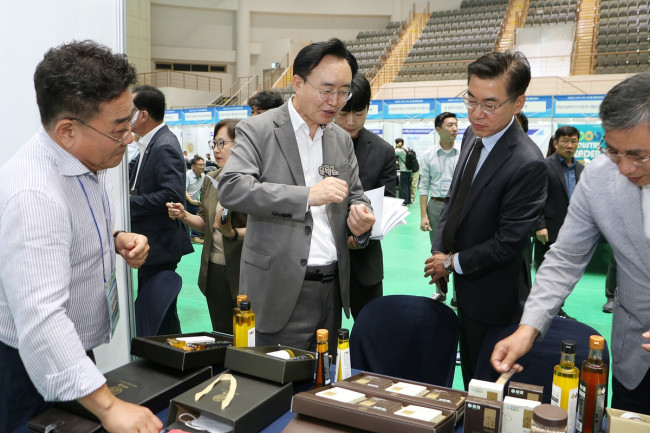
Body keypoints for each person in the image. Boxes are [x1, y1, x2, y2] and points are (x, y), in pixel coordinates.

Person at [0, 40, 161, 433]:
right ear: (67, 130)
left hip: (68, 351)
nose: (130, 138)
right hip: (32, 362)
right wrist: (109, 407)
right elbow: (42, 319)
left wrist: (114, 236)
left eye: (130, 123)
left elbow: (67, 225)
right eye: (119, 129)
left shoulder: (78, 158)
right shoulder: (35, 194)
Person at [491, 70, 650, 414]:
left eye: (639, 155)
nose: (624, 168)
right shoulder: (598, 178)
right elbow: (564, 258)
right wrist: (528, 328)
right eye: (613, 150)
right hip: (635, 360)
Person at [218, 38, 375, 352]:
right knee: (272, 377)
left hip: (332, 290)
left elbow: (356, 195)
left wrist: (361, 218)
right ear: (298, 83)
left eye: (343, 92)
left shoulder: (341, 139)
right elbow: (232, 188)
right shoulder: (259, 129)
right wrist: (306, 196)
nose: (335, 101)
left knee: (324, 378)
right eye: (326, 90)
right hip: (277, 290)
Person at [424, 51, 547, 388]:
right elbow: (454, 199)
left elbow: (508, 243)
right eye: (471, 100)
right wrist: (439, 251)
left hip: (496, 301)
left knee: (488, 390)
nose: (476, 113)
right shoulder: (471, 135)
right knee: (469, 379)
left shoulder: (528, 163)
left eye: (490, 105)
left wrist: (451, 262)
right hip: (463, 290)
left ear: (518, 103)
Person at [167, 119, 246, 334]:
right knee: (221, 332)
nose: (216, 150)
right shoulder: (211, 179)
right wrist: (184, 215)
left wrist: (232, 233)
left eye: (222, 143)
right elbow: (205, 222)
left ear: (241, 144)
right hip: (214, 269)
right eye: (214, 143)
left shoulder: (254, 181)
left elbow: (263, 231)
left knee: (246, 336)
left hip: (244, 271)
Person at [129, 85, 193, 335]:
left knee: (161, 313)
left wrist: (129, 204)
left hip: (160, 243)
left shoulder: (164, 144)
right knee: (157, 310)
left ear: (143, 114)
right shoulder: (150, 143)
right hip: (151, 241)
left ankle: (170, 355)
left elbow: (172, 195)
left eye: (130, 111)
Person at [334, 73, 396, 319]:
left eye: (359, 114)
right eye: (344, 113)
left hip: (365, 264)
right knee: (322, 333)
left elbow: (387, 202)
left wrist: (363, 234)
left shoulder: (383, 151)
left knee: (370, 328)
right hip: (322, 262)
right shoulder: (317, 144)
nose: (351, 122)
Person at [419, 112, 460, 305]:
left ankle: (458, 294)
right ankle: (440, 291)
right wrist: (423, 216)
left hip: (458, 205)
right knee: (438, 250)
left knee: (459, 249)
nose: (455, 129)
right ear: (438, 129)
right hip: (435, 205)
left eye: (456, 125)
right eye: (450, 125)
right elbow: (424, 185)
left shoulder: (464, 154)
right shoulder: (428, 155)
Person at [533, 126, 584, 268]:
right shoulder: (544, 165)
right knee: (546, 272)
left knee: (569, 272)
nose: (570, 145)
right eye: (565, 141)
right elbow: (536, 198)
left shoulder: (582, 170)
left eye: (573, 141)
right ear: (556, 143)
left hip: (574, 233)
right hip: (549, 232)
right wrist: (540, 226)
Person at [186, 155, 206, 244]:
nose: (203, 167)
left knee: (204, 211)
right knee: (199, 213)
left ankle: (200, 232)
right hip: (185, 200)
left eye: (204, 165)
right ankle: (194, 236)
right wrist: (191, 201)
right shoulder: (187, 175)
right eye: (200, 165)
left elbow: (203, 190)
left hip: (194, 201)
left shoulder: (203, 175)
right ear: (193, 166)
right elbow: (183, 190)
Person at [395, 138, 412, 204]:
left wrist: (396, 146)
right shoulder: (407, 148)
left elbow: (392, 151)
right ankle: (409, 200)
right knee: (408, 186)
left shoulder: (400, 150)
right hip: (409, 170)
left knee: (404, 186)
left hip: (404, 170)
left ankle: (405, 201)